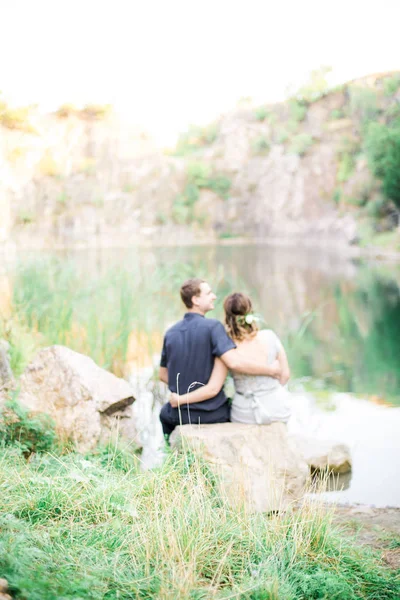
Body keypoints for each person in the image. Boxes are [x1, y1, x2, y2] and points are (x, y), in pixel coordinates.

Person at [159, 280, 282, 438]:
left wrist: (183, 388)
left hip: (176, 414)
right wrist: (270, 370)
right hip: (210, 414)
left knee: (164, 415)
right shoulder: (213, 328)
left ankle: (170, 454)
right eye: (209, 293)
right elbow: (234, 363)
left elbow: (162, 375)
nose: (214, 296)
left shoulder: (171, 333)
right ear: (195, 300)